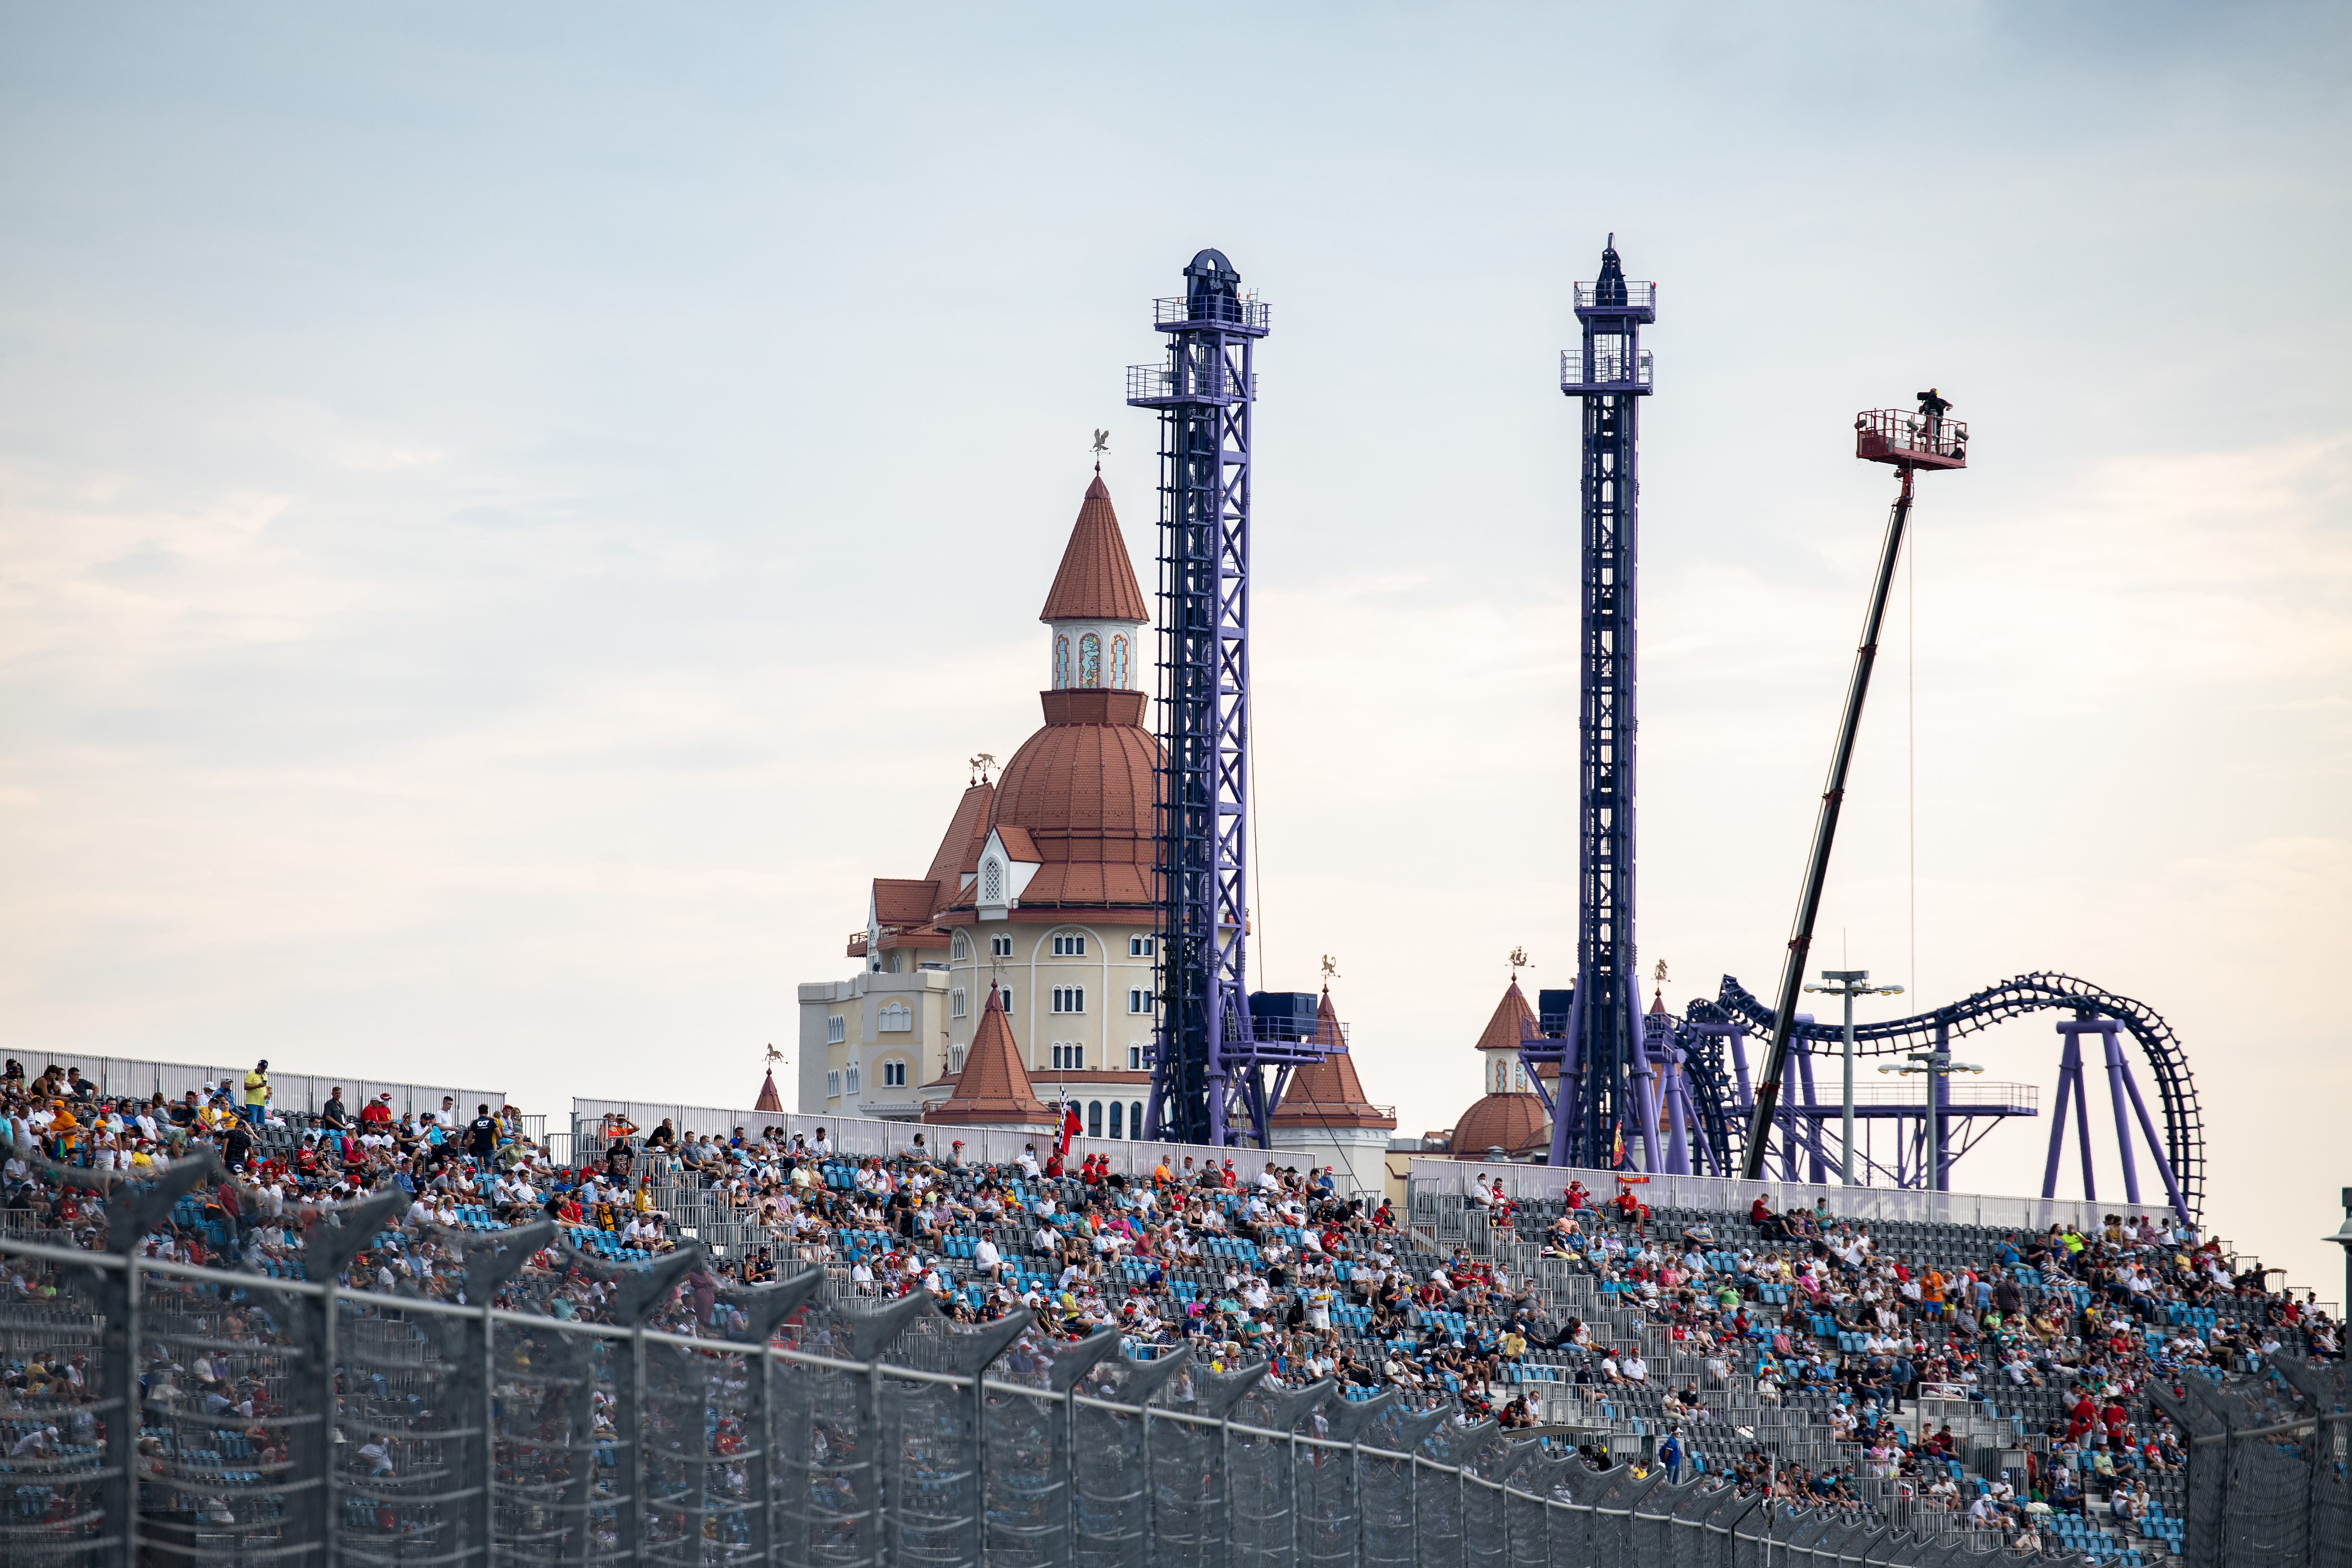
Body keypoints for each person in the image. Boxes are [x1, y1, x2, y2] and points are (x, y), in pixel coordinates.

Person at [242, 1060, 271, 1125]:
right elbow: (246, 1087)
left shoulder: (265, 1075)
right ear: (258, 1066)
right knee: (253, 1123)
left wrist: (268, 1094)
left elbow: (265, 1087)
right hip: (252, 1103)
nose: (263, 1070)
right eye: (262, 1068)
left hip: (262, 1103)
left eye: (265, 1069)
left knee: (261, 1124)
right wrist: (258, 1086)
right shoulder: (251, 1074)